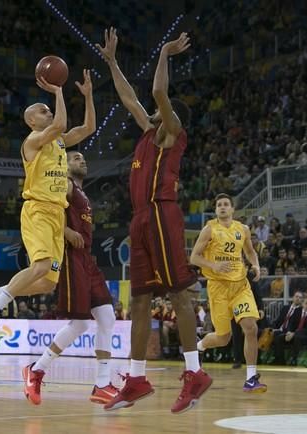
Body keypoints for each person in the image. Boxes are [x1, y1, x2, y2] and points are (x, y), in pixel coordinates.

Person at [96, 28, 211, 413]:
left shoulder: (171, 133)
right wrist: (112, 62)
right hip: (140, 219)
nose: (153, 113)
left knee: (178, 292)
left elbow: (159, 93)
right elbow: (129, 97)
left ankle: (195, 373)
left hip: (162, 212)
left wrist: (163, 52)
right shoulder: (148, 131)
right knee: (141, 300)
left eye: (160, 113)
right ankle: (137, 376)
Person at [0, 69, 96, 342]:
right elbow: (60, 125)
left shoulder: (60, 142)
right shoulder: (33, 141)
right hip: (38, 209)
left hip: (56, 212)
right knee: (40, 266)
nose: (48, 112)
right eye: (42, 111)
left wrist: (88, 97)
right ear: (31, 121)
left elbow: (88, 128)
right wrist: (59, 91)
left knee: (47, 282)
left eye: (47, 109)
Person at [23, 152, 117, 406]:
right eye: (76, 158)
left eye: (84, 158)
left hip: (87, 259)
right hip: (71, 257)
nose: (82, 160)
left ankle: (102, 383)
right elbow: (46, 210)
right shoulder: (64, 184)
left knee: (107, 317)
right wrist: (64, 230)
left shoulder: (82, 193)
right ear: (65, 165)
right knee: (80, 324)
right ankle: (37, 370)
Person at [190, 194, 266, 392]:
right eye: (219, 205)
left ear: (232, 209)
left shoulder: (243, 229)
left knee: (250, 327)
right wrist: (214, 265)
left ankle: (251, 378)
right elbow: (194, 258)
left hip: (240, 286)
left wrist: (256, 265)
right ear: (216, 210)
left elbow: (250, 252)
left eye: (226, 205)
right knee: (223, 338)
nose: (222, 207)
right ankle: (200, 347)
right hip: (218, 288)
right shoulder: (209, 229)